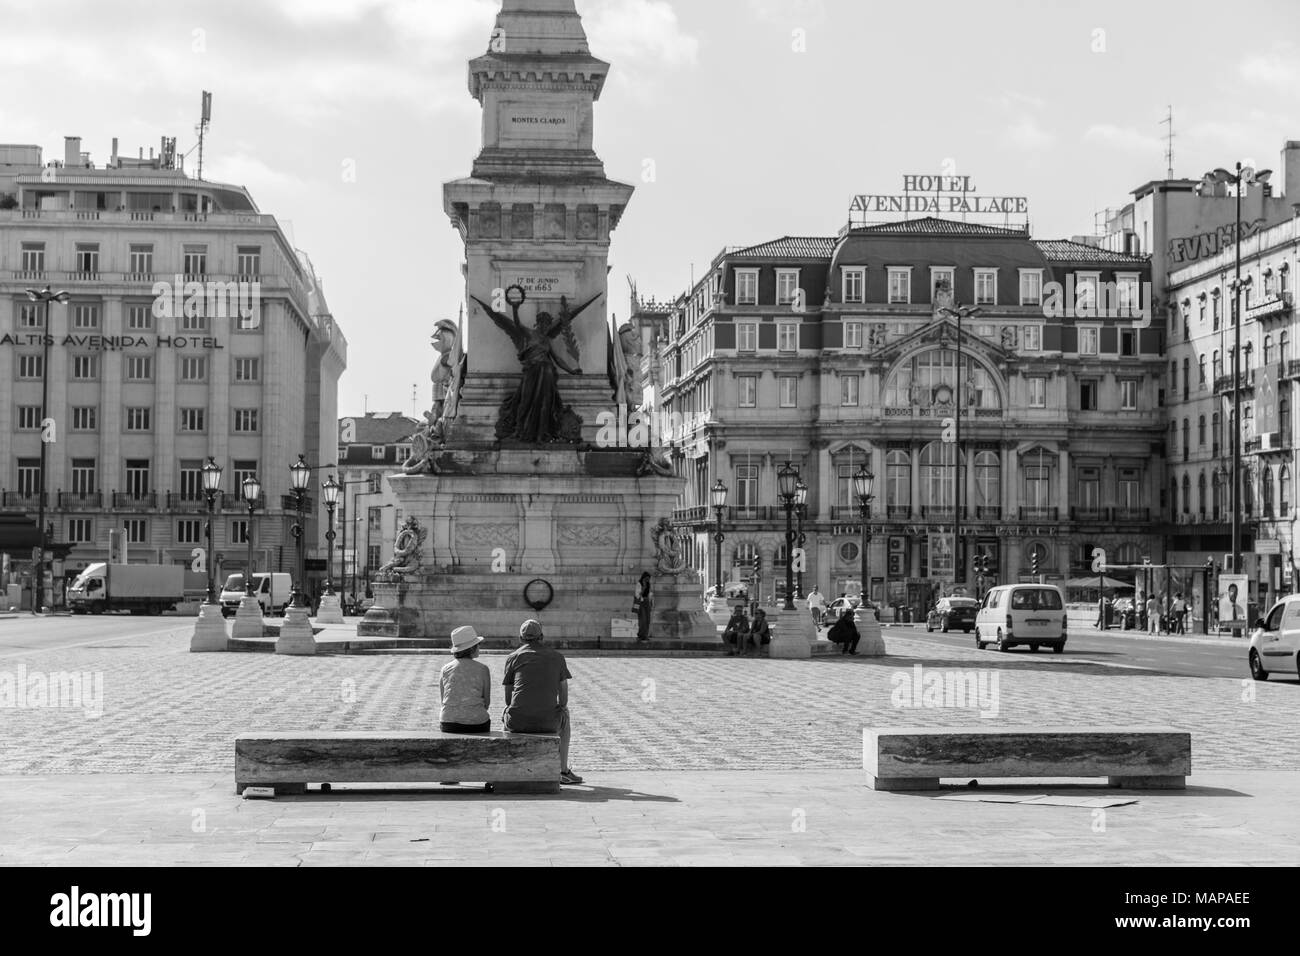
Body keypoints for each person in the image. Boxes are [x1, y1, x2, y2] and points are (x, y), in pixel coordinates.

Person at [503, 619, 583, 786]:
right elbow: (564, 698)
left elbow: (508, 699)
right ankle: (562, 770)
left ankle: (507, 766)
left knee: (507, 712)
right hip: (549, 722)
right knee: (565, 713)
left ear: (520, 638)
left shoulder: (512, 658)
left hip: (518, 722)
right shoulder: (557, 657)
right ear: (542, 637)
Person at [633, 572, 653, 642]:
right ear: (644, 578)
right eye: (647, 579)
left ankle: (645, 635)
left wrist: (651, 603)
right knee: (643, 620)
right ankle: (641, 635)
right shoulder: (639, 584)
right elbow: (637, 595)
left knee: (647, 620)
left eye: (649, 579)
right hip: (641, 603)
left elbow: (650, 594)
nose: (648, 580)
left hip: (647, 602)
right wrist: (643, 588)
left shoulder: (649, 584)